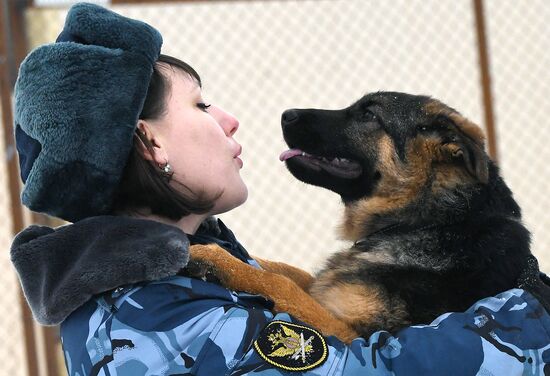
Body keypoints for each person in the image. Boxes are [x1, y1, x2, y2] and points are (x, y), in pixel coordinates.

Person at [9, 3, 550, 375]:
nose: (230, 119)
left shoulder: (175, 275)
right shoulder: (161, 320)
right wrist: (532, 313)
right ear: (150, 143)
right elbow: (369, 368)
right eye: (200, 105)